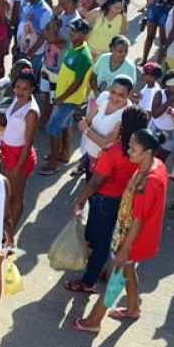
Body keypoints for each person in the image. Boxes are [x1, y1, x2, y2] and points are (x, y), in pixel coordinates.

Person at [72, 129, 168, 333]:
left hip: (131, 239)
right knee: (127, 270)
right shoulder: (155, 165)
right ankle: (133, 308)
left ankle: (94, 320)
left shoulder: (147, 182)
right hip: (130, 235)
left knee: (115, 278)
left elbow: (138, 220)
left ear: (148, 152)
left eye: (134, 148)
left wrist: (125, 249)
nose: (128, 150)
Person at [66, 106, 150, 294]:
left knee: (99, 243)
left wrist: (80, 200)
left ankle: (88, 281)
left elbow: (96, 181)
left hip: (104, 201)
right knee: (114, 238)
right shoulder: (144, 153)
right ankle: (106, 271)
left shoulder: (114, 151)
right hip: (125, 202)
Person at [0, 70, 39, 243]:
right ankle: (4, 226)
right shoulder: (17, 99)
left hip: (20, 155)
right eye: (17, 87)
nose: (20, 91)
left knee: (16, 196)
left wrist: (18, 167)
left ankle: (9, 234)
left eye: (25, 89)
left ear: (32, 89)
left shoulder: (31, 112)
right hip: (8, 151)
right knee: (6, 193)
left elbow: (29, 141)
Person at [41, 18, 93, 176]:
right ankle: (62, 155)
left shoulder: (84, 56)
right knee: (64, 126)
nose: (72, 33)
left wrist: (61, 98)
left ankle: (53, 163)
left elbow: (77, 83)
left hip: (68, 100)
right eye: (71, 30)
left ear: (84, 34)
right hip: (63, 97)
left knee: (53, 128)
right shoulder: (74, 46)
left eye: (76, 31)